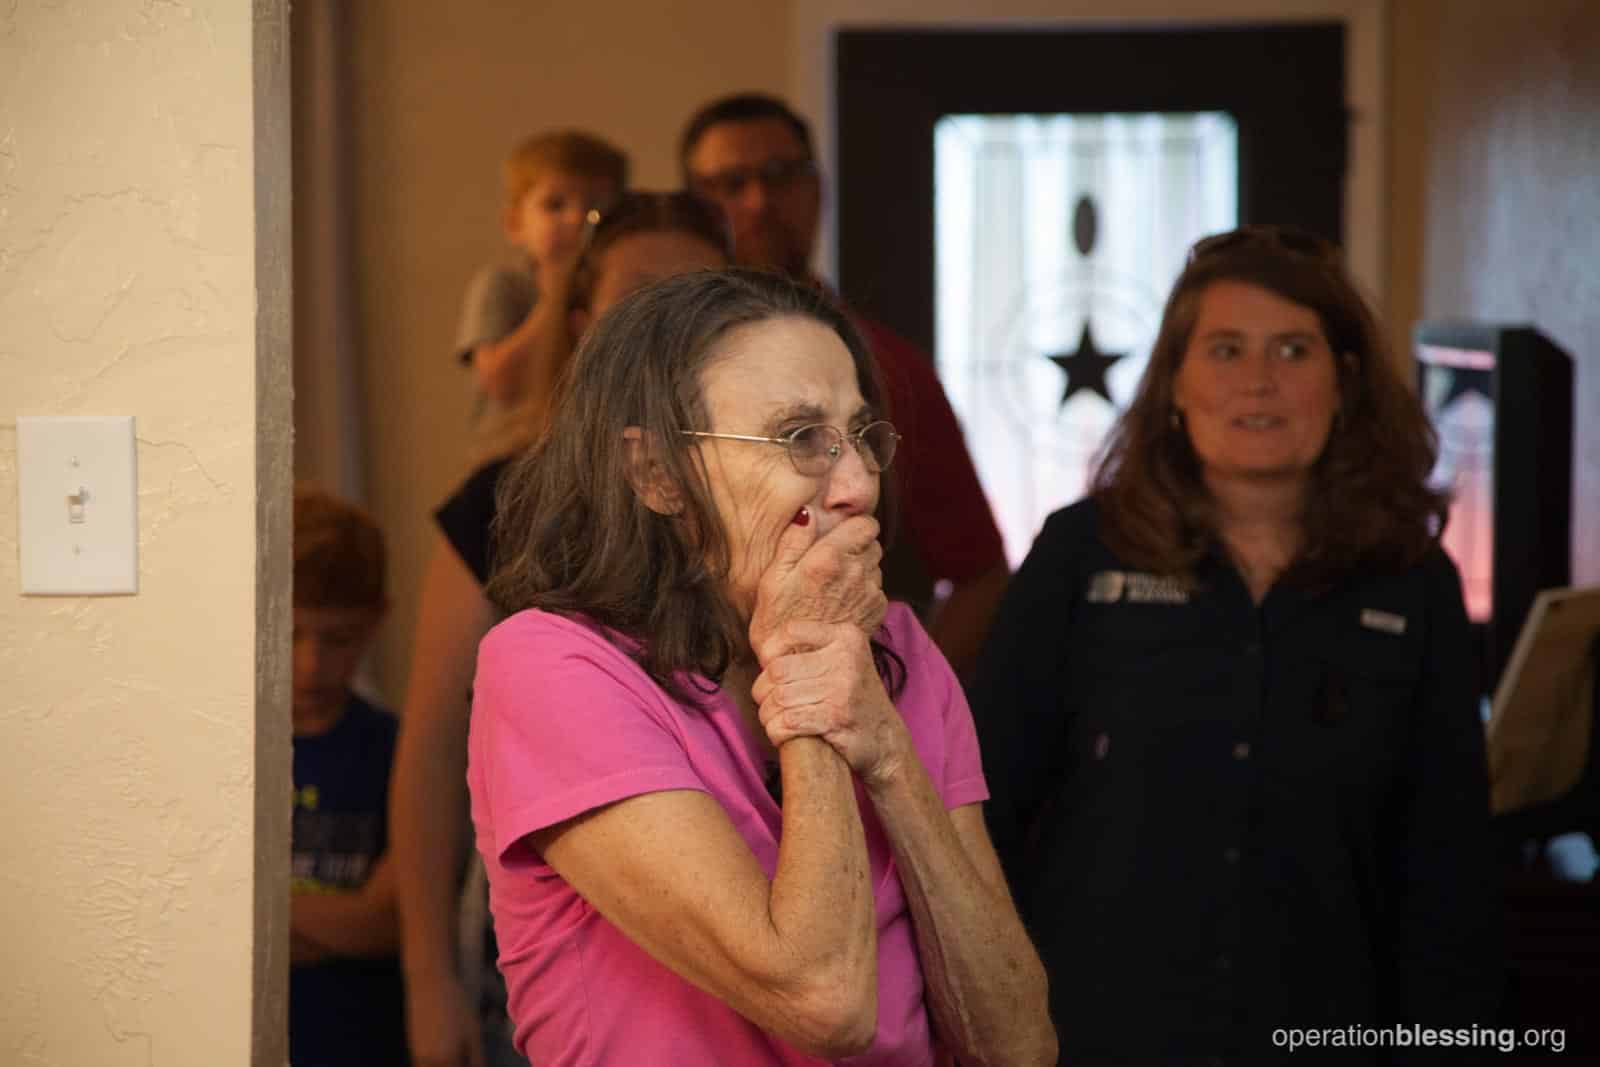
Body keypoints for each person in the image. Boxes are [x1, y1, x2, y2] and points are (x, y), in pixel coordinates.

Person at [468, 267, 1055, 1065]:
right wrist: (810, 673)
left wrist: (883, 749)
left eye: (860, 435)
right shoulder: (550, 665)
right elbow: (825, 1000)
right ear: (657, 474)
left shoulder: (901, 650)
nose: (856, 486)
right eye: (801, 437)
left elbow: (1017, 1045)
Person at [971, 225, 1504, 1061]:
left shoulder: (1413, 580)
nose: (1259, 380)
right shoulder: (1082, 556)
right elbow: (981, 810)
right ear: (1174, 385)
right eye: (1225, 350)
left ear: (1345, 382)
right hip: (1093, 1033)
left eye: (1294, 349)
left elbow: (1450, 870)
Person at [392, 192, 735, 1067]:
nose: (667, 323)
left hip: (743, 943)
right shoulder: (503, 504)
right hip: (550, 961)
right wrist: (428, 981)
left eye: (697, 294)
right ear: (584, 322)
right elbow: (431, 746)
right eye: (638, 296)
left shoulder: (775, 494)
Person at [679, 93, 1010, 679]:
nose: (758, 202)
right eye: (730, 184)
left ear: (817, 189)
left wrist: (910, 701)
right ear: (694, 203)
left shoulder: (891, 368)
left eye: (780, 176)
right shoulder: (662, 366)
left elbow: (979, 574)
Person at [289, 485, 409, 1067]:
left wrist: (250, 912)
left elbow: (392, 919)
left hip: (365, 1042)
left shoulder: (395, 750)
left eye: (337, 639)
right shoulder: (224, 761)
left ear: (376, 622)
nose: (310, 664)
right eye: (290, 635)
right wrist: (346, 918)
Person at [455, 128, 628, 462]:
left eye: (596, 208)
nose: (577, 219)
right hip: (511, 459)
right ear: (515, 223)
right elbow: (500, 381)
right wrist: (556, 294)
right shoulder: (503, 284)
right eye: (555, 205)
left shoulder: (616, 290)